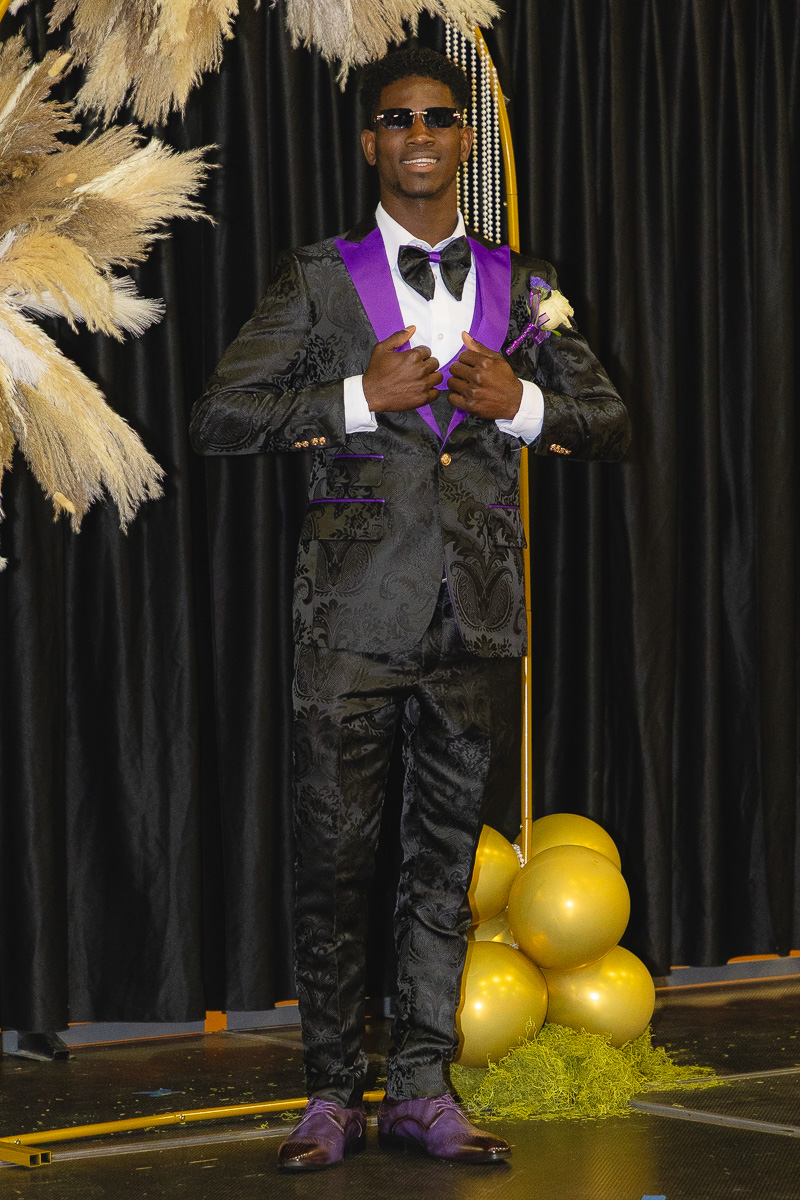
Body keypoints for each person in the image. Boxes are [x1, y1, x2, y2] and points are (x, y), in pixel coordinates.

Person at [191, 45, 630, 1171]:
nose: (420, 135)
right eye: (397, 118)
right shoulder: (319, 277)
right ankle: (331, 1092)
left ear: (463, 140)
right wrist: (351, 396)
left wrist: (521, 400)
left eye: (440, 117)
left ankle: (424, 1091)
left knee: (442, 867)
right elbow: (219, 418)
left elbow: (609, 424)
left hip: (475, 621)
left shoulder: (521, 283)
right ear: (368, 140)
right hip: (346, 624)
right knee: (334, 863)